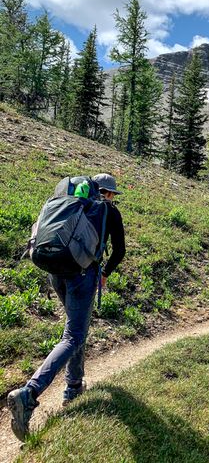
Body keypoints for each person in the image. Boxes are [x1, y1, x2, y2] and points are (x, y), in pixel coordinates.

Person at [7, 173, 126, 442]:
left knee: (75, 330)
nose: (111, 198)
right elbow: (119, 251)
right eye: (112, 194)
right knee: (74, 335)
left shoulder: (67, 203)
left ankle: (73, 387)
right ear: (106, 193)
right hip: (83, 276)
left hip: (55, 272)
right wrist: (105, 272)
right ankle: (29, 393)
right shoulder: (108, 211)